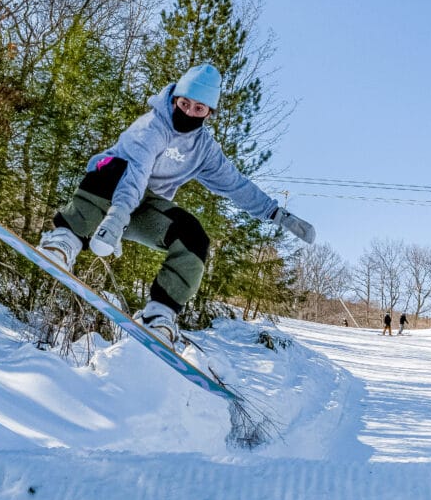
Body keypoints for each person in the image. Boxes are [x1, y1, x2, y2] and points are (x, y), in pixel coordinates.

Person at [37, 63, 314, 345]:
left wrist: (276, 213)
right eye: (184, 103)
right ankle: (64, 240)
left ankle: (159, 315)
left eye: (198, 109)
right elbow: (135, 176)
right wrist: (115, 218)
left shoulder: (204, 149)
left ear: (209, 113)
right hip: (108, 192)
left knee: (193, 236)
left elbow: (236, 184)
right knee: (114, 167)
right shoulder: (151, 127)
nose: (189, 112)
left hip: (143, 209)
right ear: (174, 100)